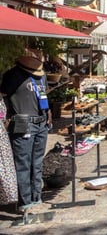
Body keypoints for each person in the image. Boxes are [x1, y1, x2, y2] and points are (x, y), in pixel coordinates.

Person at [1, 56, 51, 212]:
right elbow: (4, 98)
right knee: (23, 164)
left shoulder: (41, 75)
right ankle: (25, 201)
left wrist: (48, 115)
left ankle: (37, 196)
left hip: (41, 121)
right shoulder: (12, 76)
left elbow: (44, 94)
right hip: (23, 121)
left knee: (37, 162)